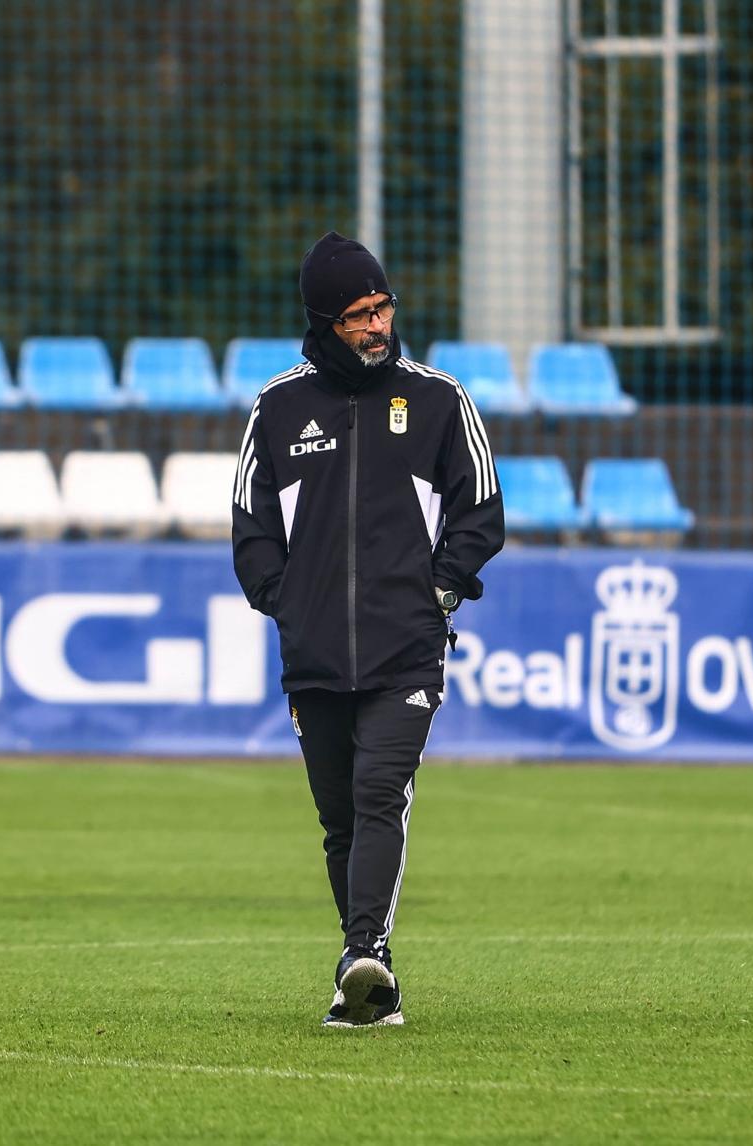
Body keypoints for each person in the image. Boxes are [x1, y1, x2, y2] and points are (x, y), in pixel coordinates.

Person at [231, 232, 504, 1028]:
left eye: (382, 306)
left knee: (380, 793)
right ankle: (367, 964)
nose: (377, 324)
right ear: (324, 322)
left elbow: (480, 508)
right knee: (339, 818)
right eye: (358, 314)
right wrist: (286, 602)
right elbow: (250, 525)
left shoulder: (439, 399)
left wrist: (442, 591)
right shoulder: (277, 408)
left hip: (406, 648)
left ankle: (365, 960)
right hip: (313, 654)